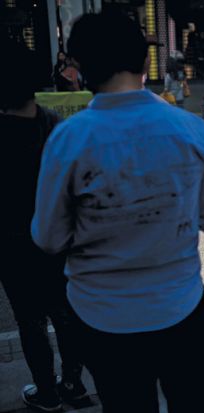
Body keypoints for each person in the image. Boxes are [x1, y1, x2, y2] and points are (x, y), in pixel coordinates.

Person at [31, 12, 204, 412]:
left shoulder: (68, 139)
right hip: (182, 306)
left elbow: (48, 238)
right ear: (143, 63)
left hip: (103, 315)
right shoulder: (190, 129)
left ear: (81, 68)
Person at [1, 40, 86, 412]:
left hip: (12, 245)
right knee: (65, 315)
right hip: (59, 240)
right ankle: (73, 383)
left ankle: (47, 393)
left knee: (30, 321)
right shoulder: (56, 126)